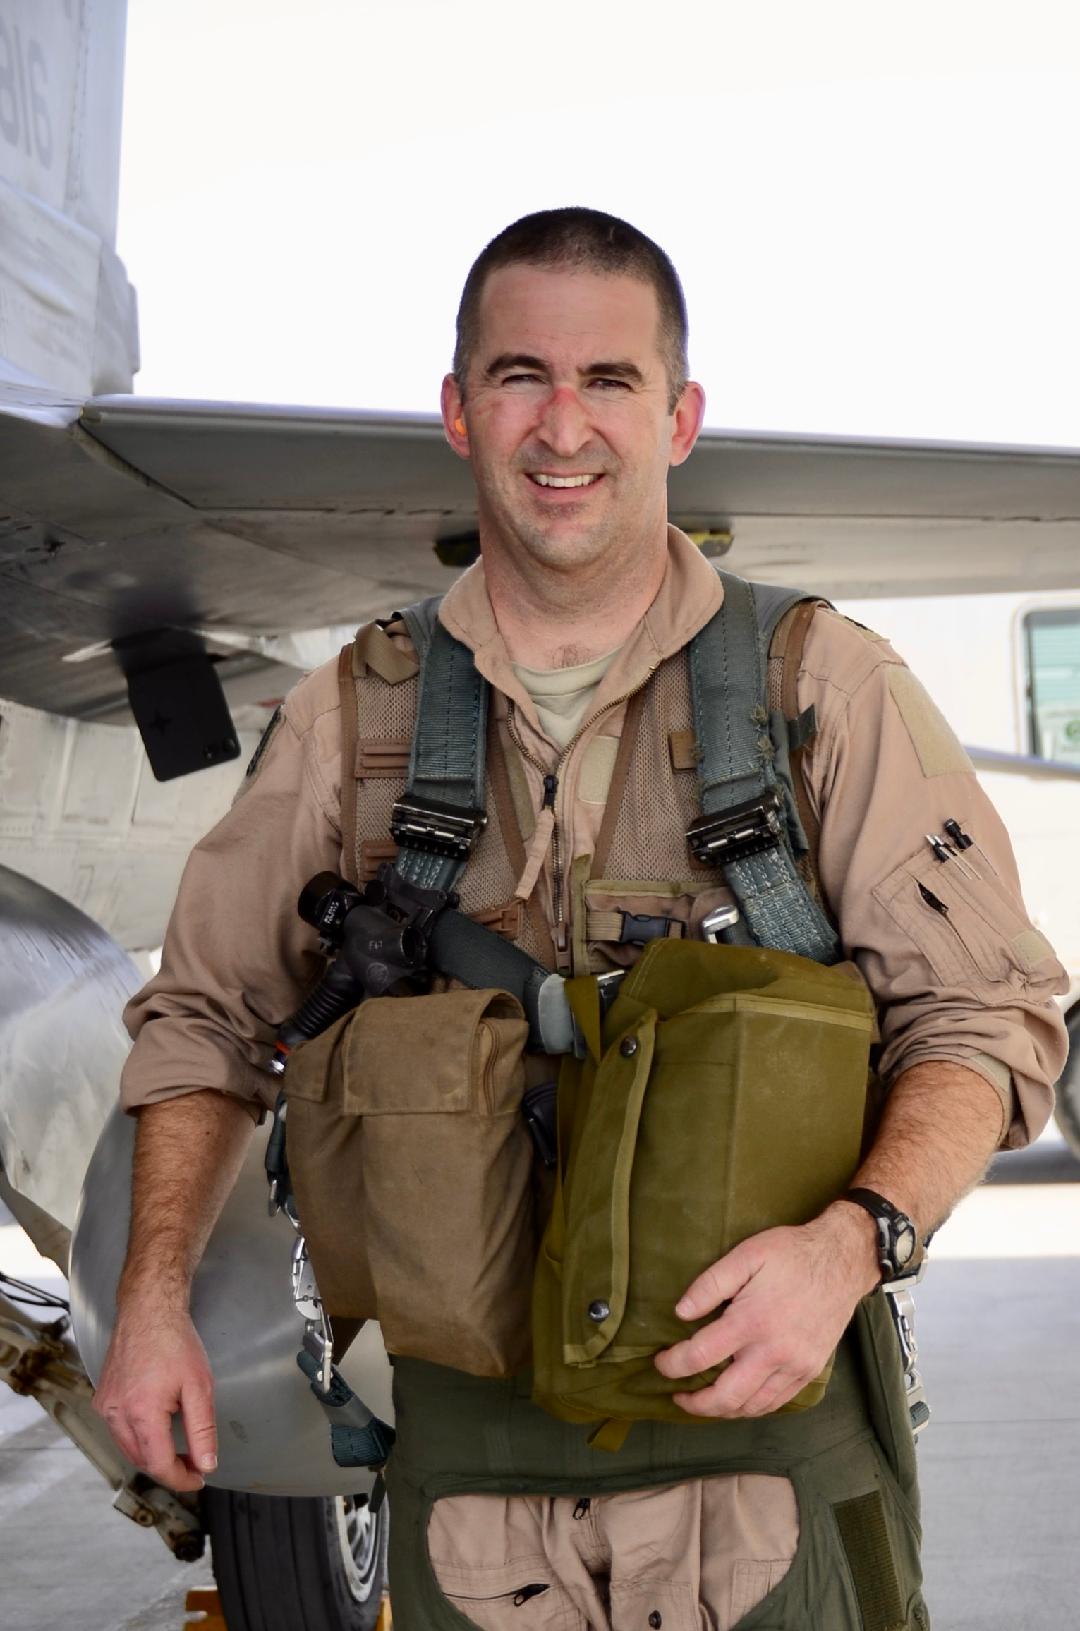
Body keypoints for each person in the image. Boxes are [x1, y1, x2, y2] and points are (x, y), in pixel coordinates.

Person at [94, 208, 1068, 1630]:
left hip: (766, 1452)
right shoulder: (352, 717)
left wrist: (854, 1241)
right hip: (468, 1481)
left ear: (678, 416)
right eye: (519, 377)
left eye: (609, 381)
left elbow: (989, 1019)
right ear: (456, 412)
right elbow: (205, 1022)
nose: (564, 428)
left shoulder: (822, 688)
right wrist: (154, 1298)